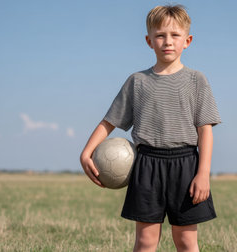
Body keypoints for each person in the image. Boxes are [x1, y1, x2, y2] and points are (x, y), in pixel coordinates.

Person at [80, 4, 221, 252]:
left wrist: (203, 173)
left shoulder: (196, 80)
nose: (168, 41)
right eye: (160, 35)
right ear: (149, 41)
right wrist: (86, 152)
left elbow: (205, 130)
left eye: (175, 35)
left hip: (186, 166)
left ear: (187, 40)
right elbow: (109, 121)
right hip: (147, 166)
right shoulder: (137, 81)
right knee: (145, 242)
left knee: (187, 242)